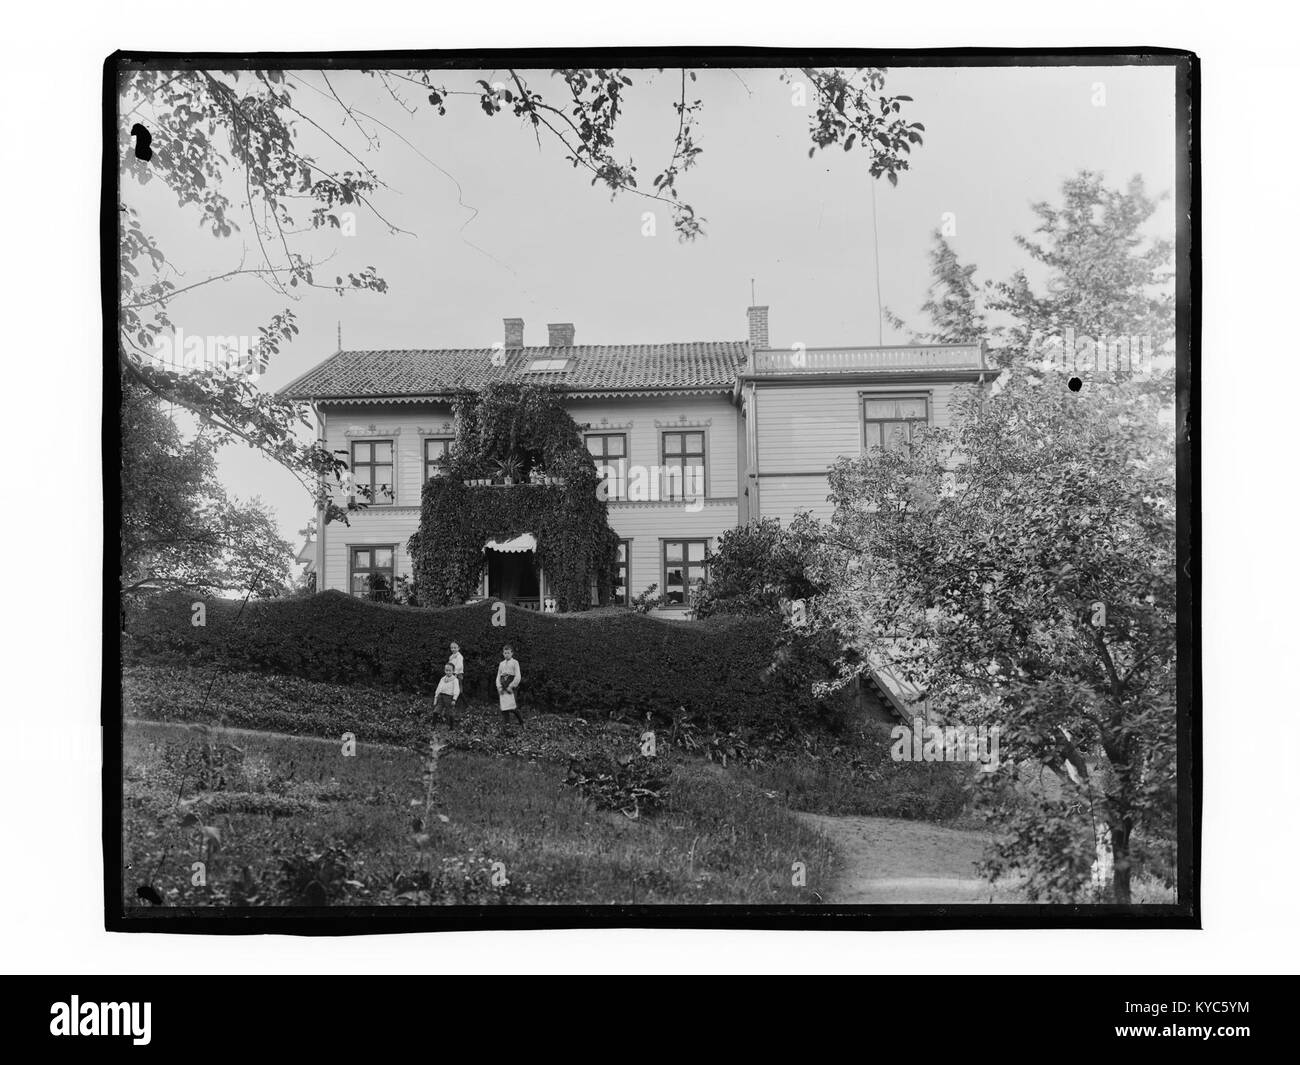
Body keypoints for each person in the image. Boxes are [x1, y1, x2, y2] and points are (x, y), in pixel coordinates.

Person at [496, 644, 524, 734]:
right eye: (505, 653)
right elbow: (498, 676)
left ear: (512, 653)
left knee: (512, 707)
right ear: (503, 654)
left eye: (508, 653)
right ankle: (506, 726)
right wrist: (499, 686)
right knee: (504, 707)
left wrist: (511, 686)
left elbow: (518, 676)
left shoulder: (515, 662)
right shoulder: (501, 664)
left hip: (511, 685)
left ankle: (521, 722)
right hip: (503, 685)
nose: (506, 654)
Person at [432, 662, 461, 728]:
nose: (447, 672)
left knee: (450, 713)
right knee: (436, 711)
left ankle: (451, 728)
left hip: (449, 698)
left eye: (449, 670)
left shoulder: (455, 680)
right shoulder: (442, 679)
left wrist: (454, 699)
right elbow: (438, 688)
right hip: (441, 697)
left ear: (453, 671)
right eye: (446, 670)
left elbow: (456, 690)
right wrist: (435, 698)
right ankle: (433, 726)